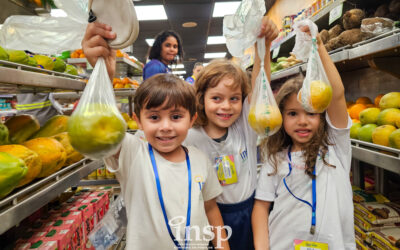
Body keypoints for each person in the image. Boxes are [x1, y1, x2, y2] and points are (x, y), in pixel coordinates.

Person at [82, 23, 230, 250]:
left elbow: (210, 208)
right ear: (138, 121)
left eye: (176, 116)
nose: (165, 127)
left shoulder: (200, 160)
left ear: (192, 119)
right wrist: (104, 76)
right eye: (154, 117)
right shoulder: (133, 154)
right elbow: (98, 127)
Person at [252, 25, 355, 249]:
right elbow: (261, 207)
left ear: (322, 116)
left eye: (311, 113)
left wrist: (317, 44)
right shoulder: (275, 158)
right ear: (280, 117)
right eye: (292, 113)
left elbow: (336, 95)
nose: (302, 121)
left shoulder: (335, 148)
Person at [183, 16, 278, 250]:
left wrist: (262, 47)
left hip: (250, 212)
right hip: (210, 217)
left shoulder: (245, 123)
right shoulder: (191, 136)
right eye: (216, 98)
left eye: (234, 99)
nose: (226, 106)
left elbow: (260, 84)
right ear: (201, 99)